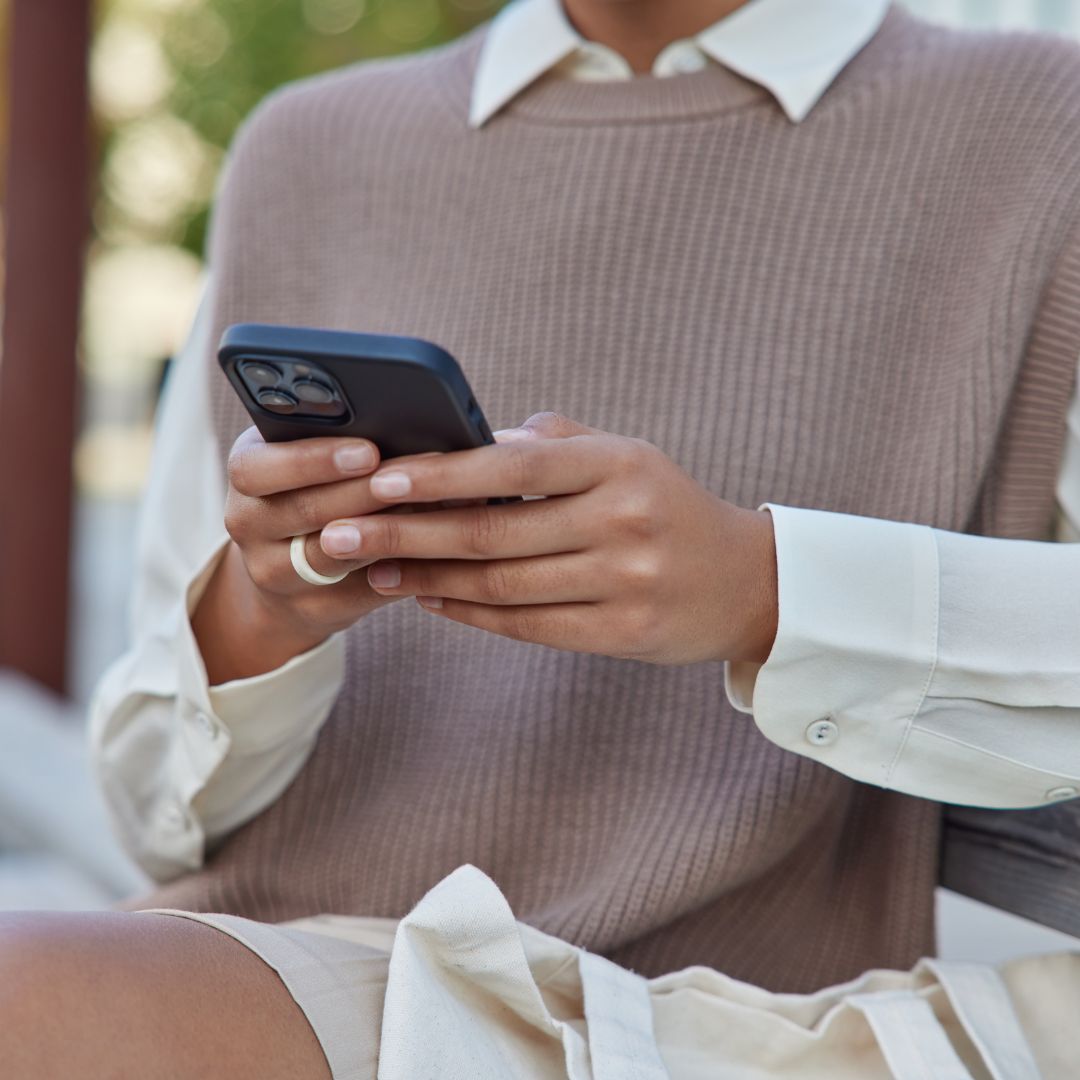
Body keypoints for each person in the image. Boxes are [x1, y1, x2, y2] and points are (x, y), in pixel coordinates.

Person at [4, 0, 1080, 1075]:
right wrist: (261, 613)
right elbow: (153, 822)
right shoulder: (307, 146)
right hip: (258, 962)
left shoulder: (1039, 125)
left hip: (698, 1020)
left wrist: (763, 590)